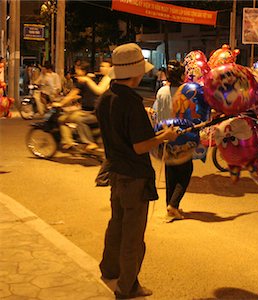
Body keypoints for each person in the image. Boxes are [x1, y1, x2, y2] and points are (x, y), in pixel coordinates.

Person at [96, 43, 179, 299]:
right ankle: (128, 286)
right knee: (132, 235)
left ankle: (109, 270)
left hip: (116, 174)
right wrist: (164, 136)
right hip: (134, 177)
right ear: (135, 73)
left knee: (116, 225)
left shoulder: (106, 98)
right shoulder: (131, 103)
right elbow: (141, 146)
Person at [154, 60, 192, 221]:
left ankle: (170, 206)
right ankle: (173, 205)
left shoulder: (162, 91)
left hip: (165, 135)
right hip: (183, 135)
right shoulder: (188, 91)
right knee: (185, 172)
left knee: (171, 173)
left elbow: (158, 114)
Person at [55, 61, 99, 150]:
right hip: (94, 109)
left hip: (87, 111)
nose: (75, 71)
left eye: (77, 69)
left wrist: (60, 103)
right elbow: (80, 94)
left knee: (61, 119)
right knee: (71, 113)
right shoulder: (92, 79)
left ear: (82, 70)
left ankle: (69, 141)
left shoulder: (81, 80)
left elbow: (72, 94)